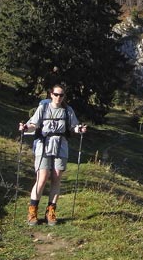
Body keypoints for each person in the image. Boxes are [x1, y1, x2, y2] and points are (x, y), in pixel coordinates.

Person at [19, 84, 86, 226]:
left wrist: (79, 129)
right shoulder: (43, 108)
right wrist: (25, 127)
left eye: (61, 95)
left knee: (56, 178)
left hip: (61, 146)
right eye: (56, 94)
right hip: (43, 146)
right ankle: (32, 211)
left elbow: (74, 126)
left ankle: (51, 211)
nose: (58, 97)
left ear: (64, 97)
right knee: (42, 178)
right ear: (51, 95)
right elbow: (33, 124)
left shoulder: (68, 110)